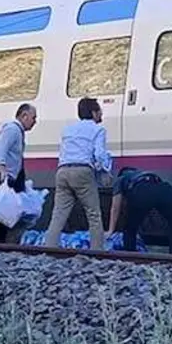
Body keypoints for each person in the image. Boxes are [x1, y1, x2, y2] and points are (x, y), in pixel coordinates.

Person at [44, 98, 111, 251]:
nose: (101, 114)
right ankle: (97, 251)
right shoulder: (98, 130)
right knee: (93, 214)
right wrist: (105, 171)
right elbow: (99, 154)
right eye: (99, 111)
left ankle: (48, 249)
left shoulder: (68, 129)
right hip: (82, 171)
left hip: (62, 171)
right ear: (94, 113)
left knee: (58, 214)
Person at [106, 167, 172, 255]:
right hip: (166, 189)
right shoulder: (146, 173)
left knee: (130, 228)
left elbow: (115, 207)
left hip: (141, 191)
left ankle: (130, 255)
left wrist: (111, 230)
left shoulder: (121, 179)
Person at [0, 102, 37, 244]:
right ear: (24, 116)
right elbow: (0, 149)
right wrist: (2, 169)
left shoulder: (18, 131)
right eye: (33, 118)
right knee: (3, 213)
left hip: (13, 177)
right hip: (7, 177)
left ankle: (4, 242)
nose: (35, 122)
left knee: (10, 212)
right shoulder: (12, 130)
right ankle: (0, 243)